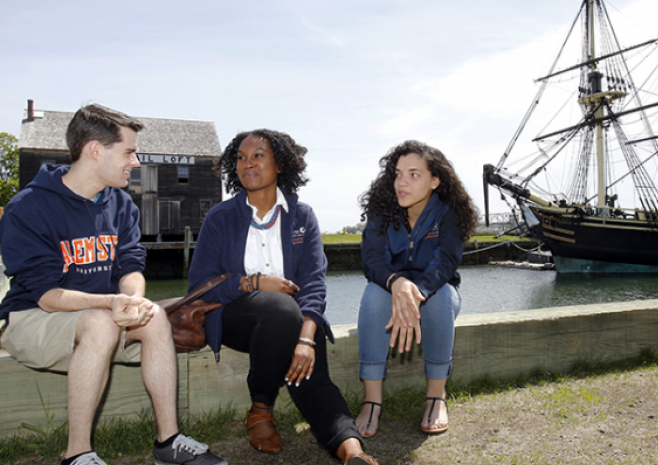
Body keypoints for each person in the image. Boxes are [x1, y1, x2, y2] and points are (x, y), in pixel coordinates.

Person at [0, 104, 225, 465]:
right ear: (94, 150)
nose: (134, 162)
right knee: (101, 322)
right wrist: (109, 304)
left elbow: (131, 265)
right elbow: (46, 295)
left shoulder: (121, 204)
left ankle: (168, 442)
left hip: (99, 318)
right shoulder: (28, 208)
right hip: (32, 318)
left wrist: (133, 299)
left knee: (151, 314)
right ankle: (78, 455)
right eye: (128, 151)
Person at [187, 129, 377, 465]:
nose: (247, 164)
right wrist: (252, 283)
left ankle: (351, 450)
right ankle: (261, 407)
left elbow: (315, 285)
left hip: (293, 321)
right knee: (279, 307)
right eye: (241, 158)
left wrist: (306, 340)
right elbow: (200, 286)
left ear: (280, 165)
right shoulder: (220, 217)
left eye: (258, 155)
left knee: (314, 377)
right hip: (236, 318)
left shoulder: (302, 216)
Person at [355, 140, 478, 437]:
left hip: (436, 290)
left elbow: (445, 263)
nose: (402, 183)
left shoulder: (448, 213)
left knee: (442, 297)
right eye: (398, 174)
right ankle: (372, 400)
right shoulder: (382, 210)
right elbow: (371, 260)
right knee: (373, 294)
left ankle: (436, 396)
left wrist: (415, 291)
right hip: (389, 290)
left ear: (435, 180)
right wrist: (397, 283)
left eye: (413, 174)